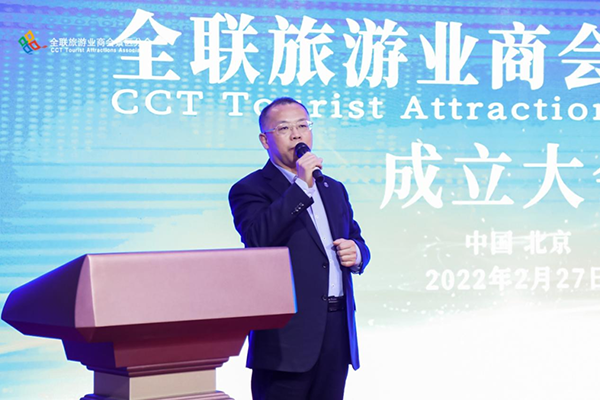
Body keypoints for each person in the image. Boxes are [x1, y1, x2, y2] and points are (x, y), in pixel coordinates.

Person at [228, 97, 370, 400]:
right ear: (265, 140)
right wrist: (301, 187)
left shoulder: (333, 188)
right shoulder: (249, 188)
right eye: (284, 128)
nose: (297, 135)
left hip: (336, 329)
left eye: (303, 126)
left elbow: (356, 238)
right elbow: (257, 237)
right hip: (286, 336)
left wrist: (357, 254)